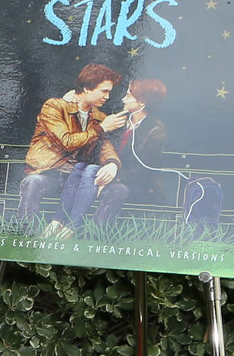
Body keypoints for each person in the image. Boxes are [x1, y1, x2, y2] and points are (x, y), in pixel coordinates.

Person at [17, 63, 126, 238]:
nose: (107, 97)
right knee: (33, 182)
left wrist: (112, 164)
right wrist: (101, 129)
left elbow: (106, 147)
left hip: (80, 178)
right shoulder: (55, 106)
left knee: (118, 190)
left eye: (109, 92)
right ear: (86, 88)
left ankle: (92, 240)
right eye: (104, 91)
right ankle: (26, 236)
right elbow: (66, 141)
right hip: (52, 173)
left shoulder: (99, 117)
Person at [75, 77, 171, 231]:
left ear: (142, 102)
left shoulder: (156, 131)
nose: (123, 99)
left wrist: (110, 179)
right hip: (108, 177)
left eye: (128, 96)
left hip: (139, 187)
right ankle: (72, 226)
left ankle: (93, 233)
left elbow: (143, 171)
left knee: (119, 190)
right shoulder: (117, 121)